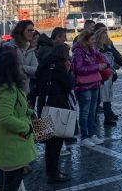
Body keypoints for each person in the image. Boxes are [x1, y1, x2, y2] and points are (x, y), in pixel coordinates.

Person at [0, 49, 37, 191]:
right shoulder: (8, 90)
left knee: (6, 183)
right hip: (13, 143)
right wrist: (27, 127)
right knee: (11, 184)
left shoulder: (3, 86)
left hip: (9, 142)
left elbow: (16, 109)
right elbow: (6, 117)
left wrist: (30, 112)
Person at [36, 43, 73, 184]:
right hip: (57, 108)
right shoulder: (59, 67)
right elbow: (69, 86)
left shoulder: (44, 64)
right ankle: (52, 173)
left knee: (48, 143)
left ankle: (52, 171)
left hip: (43, 107)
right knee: (56, 143)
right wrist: (68, 70)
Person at [72, 30, 107, 146]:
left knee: (93, 111)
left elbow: (105, 60)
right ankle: (84, 136)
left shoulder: (92, 50)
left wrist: (99, 55)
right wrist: (96, 67)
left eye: (94, 39)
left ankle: (92, 134)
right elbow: (78, 69)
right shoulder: (78, 52)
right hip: (84, 85)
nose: (94, 41)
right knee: (85, 111)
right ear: (85, 40)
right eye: (92, 39)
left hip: (95, 82)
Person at [95, 28, 121, 126]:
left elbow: (114, 58)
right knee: (99, 98)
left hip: (108, 75)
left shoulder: (108, 48)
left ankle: (107, 117)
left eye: (106, 37)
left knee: (107, 97)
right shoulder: (96, 50)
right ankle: (96, 118)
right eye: (104, 37)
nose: (106, 39)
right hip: (100, 77)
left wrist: (121, 64)